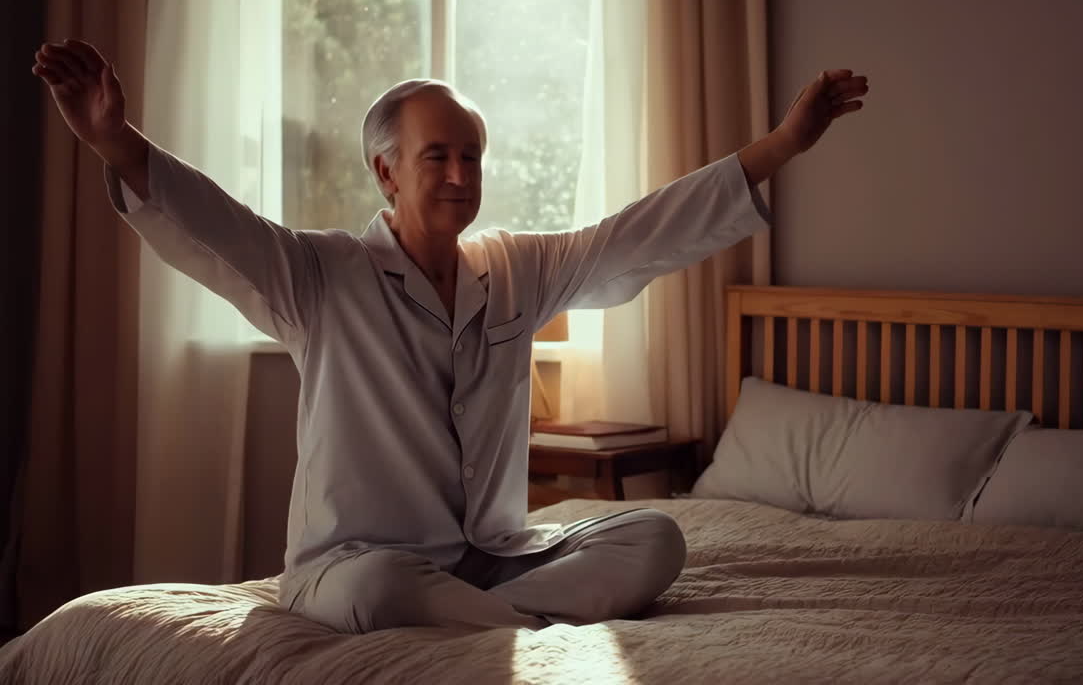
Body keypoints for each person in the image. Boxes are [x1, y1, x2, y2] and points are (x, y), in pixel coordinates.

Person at [31, 38, 869, 634]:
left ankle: (503, 618)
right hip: (359, 561)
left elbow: (637, 234)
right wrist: (113, 139)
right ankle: (532, 628)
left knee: (656, 535)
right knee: (382, 587)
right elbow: (214, 225)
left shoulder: (513, 269)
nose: (462, 176)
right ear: (386, 171)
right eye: (439, 158)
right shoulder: (317, 275)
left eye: (472, 157)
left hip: (494, 558)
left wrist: (783, 145)